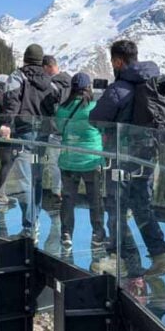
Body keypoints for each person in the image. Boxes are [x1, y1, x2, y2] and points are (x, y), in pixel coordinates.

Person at [90, 39, 165, 284]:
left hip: (121, 159)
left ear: (117, 61)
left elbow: (96, 118)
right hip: (147, 156)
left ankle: (121, 260)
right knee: (142, 205)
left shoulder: (120, 88)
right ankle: (161, 257)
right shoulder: (154, 83)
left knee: (115, 207)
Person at [0, 44, 56, 234]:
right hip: (44, 133)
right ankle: (35, 219)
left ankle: (28, 226)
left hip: (24, 130)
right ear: (41, 61)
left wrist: (7, 123)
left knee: (24, 180)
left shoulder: (18, 75)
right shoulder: (49, 80)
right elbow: (55, 101)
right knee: (37, 177)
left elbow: (12, 100)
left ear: (25, 58)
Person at [54, 72, 105, 249]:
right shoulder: (95, 108)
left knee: (68, 198)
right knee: (95, 199)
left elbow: (59, 128)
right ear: (88, 88)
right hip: (92, 160)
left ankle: (66, 234)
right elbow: (104, 129)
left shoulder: (62, 109)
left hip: (68, 159)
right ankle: (97, 234)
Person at [43, 55, 72, 199]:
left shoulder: (51, 85)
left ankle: (57, 192)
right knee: (68, 164)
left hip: (55, 130)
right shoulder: (71, 82)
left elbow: (48, 106)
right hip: (72, 131)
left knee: (54, 164)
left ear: (47, 67)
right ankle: (68, 193)